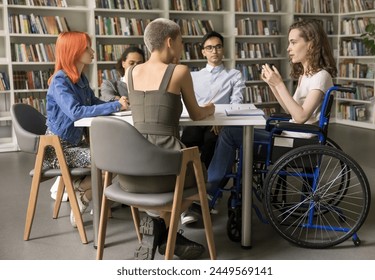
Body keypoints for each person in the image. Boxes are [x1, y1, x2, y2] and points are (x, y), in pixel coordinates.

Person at [183, 19, 337, 225]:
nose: (288, 48)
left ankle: (208, 194)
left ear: (310, 43)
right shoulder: (307, 76)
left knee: (230, 133)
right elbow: (292, 110)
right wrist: (273, 86)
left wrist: (279, 84)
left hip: (299, 143)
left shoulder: (321, 76)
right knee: (235, 133)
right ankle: (216, 192)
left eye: (293, 42)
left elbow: (300, 117)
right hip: (290, 136)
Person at [123, 18, 215, 260]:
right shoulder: (180, 71)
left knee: (176, 184)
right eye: (182, 41)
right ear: (169, 41)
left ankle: (157, 228)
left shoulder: (130, 71)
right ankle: (165, 231)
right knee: (200, 181)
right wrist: (211, 108)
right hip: (166, 170)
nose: (183, 47)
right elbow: (196, 115)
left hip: (131, 173)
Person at [43, 31, 129, 227]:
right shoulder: (59, 80)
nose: (92, 51)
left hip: (76, 145)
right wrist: (115, 106)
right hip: (59, 150)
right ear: (73, 51)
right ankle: (81, 191)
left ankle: (81, 192)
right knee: (112, 160)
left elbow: (94, 102)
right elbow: (76, 112)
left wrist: (117, 102)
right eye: (87, 48)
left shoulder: (80, 79)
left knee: (117, 157)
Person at [181, 31, 245, 169]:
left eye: (218, 47)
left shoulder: (234, 75)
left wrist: (221, 121)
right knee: (187, 139)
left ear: (223, 50)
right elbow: (187, 103)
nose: (214, 51)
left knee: (212, 140)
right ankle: (188, 179)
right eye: (209, 48)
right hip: (197, 121)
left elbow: (236, 103)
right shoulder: (193, 76)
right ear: (203, 52)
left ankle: (208, 182)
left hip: (219, 123)